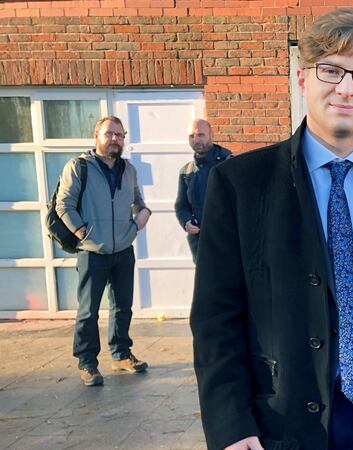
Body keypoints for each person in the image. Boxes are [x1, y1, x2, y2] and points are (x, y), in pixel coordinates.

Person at [190, 8, 353, 450]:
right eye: (331, 70)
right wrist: (230, 424)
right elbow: (215, 316)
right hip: (277, 421)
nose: (346, 88)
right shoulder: (240, 184)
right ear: (303, 80)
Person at [55, 116, 151, 387]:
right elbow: (64, 205)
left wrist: (139, 219)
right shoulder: (79, 167)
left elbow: (137, 201)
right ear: (96, 135)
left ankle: (121, 354)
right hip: (92, 252)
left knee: (123, 307)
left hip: (123, 249)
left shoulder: (128, 169)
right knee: (88, 310)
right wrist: (82, 232)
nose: (115, 139)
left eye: (120, 135)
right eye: (109, 134)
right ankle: (87, 363)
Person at [174, 118, 232, 263]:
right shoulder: (186, 171)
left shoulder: (228, 164)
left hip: (227, 241)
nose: (196, 140)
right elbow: (181, 206)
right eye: (191, 136)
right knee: (205, 285)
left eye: (200, 135)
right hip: (200, 243)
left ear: (211, 135)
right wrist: (186, 222)